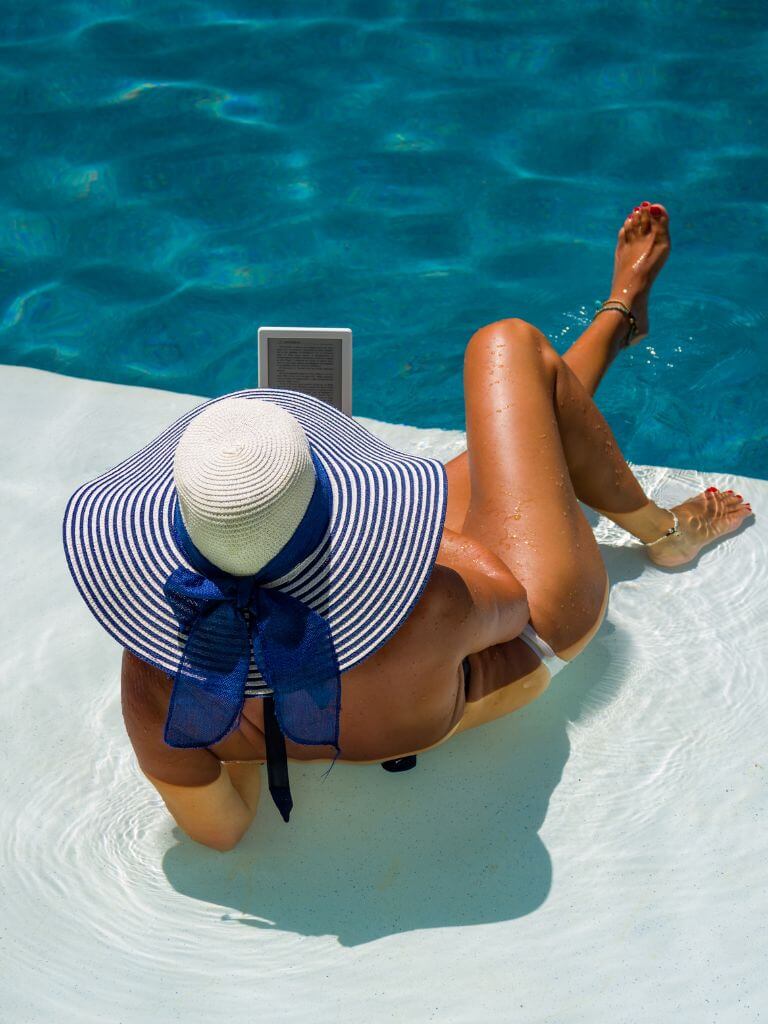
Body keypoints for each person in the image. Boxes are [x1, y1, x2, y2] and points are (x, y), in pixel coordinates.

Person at [93, 200, 754, 851]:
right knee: (507, 347)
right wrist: (396, 538)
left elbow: (223, 831)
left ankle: (615, 324)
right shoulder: (421, 591)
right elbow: (506, 597)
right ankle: (666, 532)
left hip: (371, 690)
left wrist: (250, 686)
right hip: (523, 644)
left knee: (522, 418)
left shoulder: (151, 672)